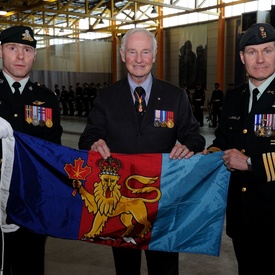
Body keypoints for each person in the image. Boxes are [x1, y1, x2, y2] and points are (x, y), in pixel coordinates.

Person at [78, 28, 205, 275]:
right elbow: (88, 136)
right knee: (126, 269)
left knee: (165, 268)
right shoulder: (106, 97)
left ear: (154, 55)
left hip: (162, 201)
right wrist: (94, 143)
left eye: (145, 52)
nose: (139, 59)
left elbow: (194, 135)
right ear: (123, 55)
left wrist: (188, 145)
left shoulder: (175, 96)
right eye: (132, 52)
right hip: (121, 204)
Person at [205, 23, 275, 274]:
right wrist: (207, 156)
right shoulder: (234, 98)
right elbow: (223, 141)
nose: (259, 59)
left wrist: (249, 163)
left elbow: (245, 159)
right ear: (242, 57)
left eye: (267, 51)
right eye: (252, 52)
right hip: (242, 216)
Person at [0, 25, 63, 275]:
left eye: (27, 49)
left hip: (33, 201)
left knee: (31, 265)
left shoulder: (47, 99)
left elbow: (53, 150)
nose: (20, 56)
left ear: (34, 55)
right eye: (13, 48)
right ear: (1, 51)